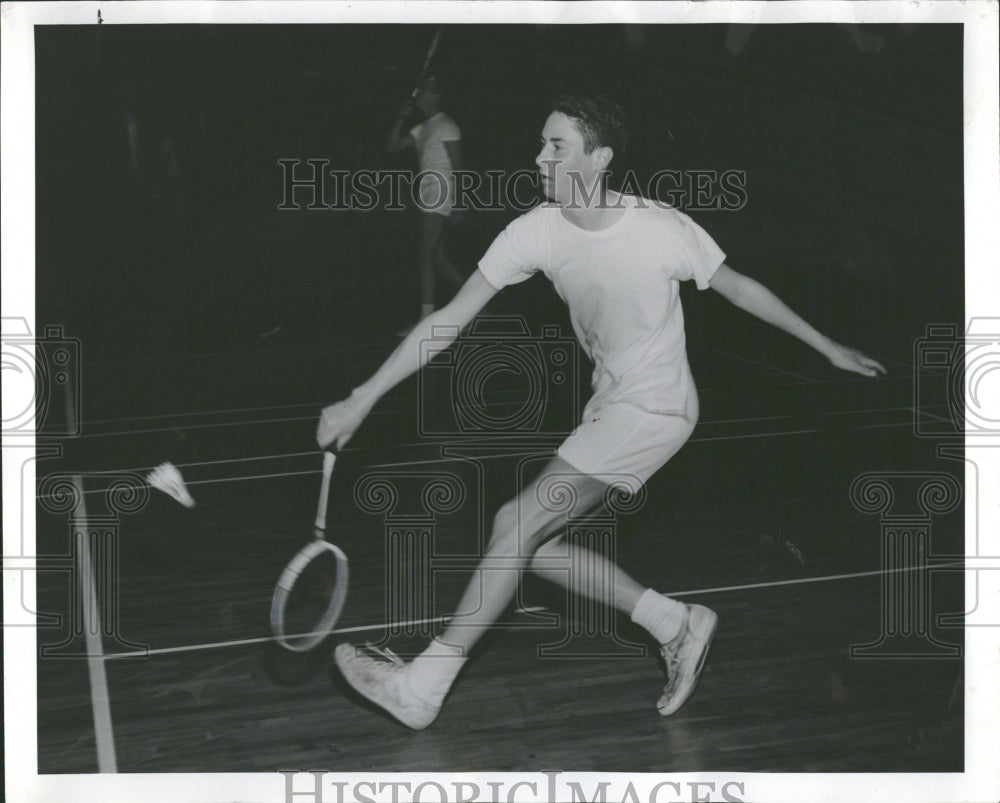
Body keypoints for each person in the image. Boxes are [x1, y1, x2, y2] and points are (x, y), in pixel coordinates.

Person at [319, 95, 886, 730]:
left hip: (657, 406)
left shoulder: (660, 227)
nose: (539, 157)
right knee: (530, 544)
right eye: (540, 143)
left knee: (519, 522)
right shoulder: (536, 230)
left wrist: (827, 345)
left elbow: (739, 287)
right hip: (611, 404)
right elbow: (448, 321)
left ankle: (423, 686)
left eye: (557, 146)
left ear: (600, 158)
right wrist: (361, 397)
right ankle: (674, 621)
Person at [387, 75, 466, 325]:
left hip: (440, 192)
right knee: (437, 258)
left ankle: (426, 318)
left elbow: (459, 168)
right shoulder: (422, 128)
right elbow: (392, 146)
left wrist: (459, 204)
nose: (419, 93)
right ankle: (480, 302)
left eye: (425, 90)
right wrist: (402, 116)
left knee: (425, 254)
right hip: (426, 193)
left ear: (435, 95)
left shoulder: (447, 125)